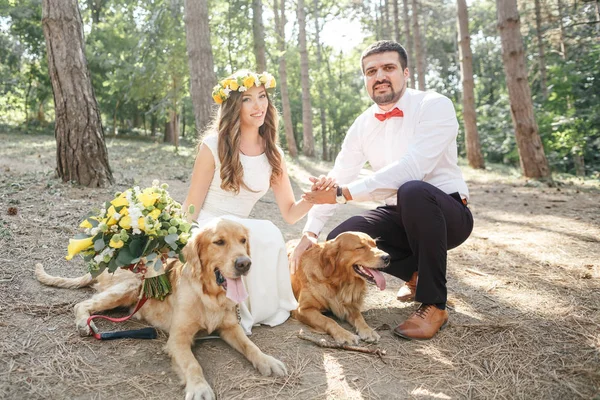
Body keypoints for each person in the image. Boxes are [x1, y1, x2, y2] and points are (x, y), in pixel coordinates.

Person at [292, 40, 474, 340]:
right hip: (399, 216)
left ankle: (434, 304)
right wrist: (310, 233)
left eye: (388, 68)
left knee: (413, 191)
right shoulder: (363, 124)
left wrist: (343, 193)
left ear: (405, 72)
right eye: (371, 71)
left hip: (447, 214)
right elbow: (339, 177)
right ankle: (414, 275)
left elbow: (411, 169)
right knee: (343, 237)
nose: (379, 77)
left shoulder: (434, 105)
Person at [183, 70, 332, 335]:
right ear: (233, 106)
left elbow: (289, 213)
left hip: (240, 229)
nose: (258, 105)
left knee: (268, 232)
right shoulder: (213, 145)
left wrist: (313, 198)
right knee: (261, 232)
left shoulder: (274, 153)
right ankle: (230, 309)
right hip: (211, 226)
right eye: (247, 99)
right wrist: (179, 242)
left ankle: (258, 308)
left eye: (262, 97)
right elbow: (191, 206)